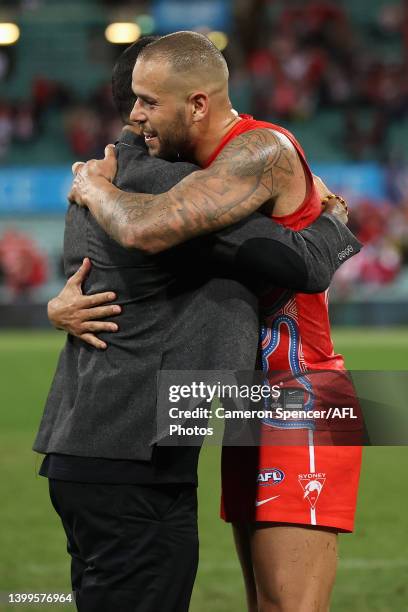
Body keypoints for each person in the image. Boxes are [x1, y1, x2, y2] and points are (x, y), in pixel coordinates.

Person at [35, 35, 358, 611]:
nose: (135, 122)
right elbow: (110, 266)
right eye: (134, 103)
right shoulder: (182, 166)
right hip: (239, 393)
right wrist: (58, 307)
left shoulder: (258, 149)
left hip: (296, 388)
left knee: (290, 606)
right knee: (260, 600)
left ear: (198, 104)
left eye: (149, 104)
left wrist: (93, 184)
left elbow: (149, 228)